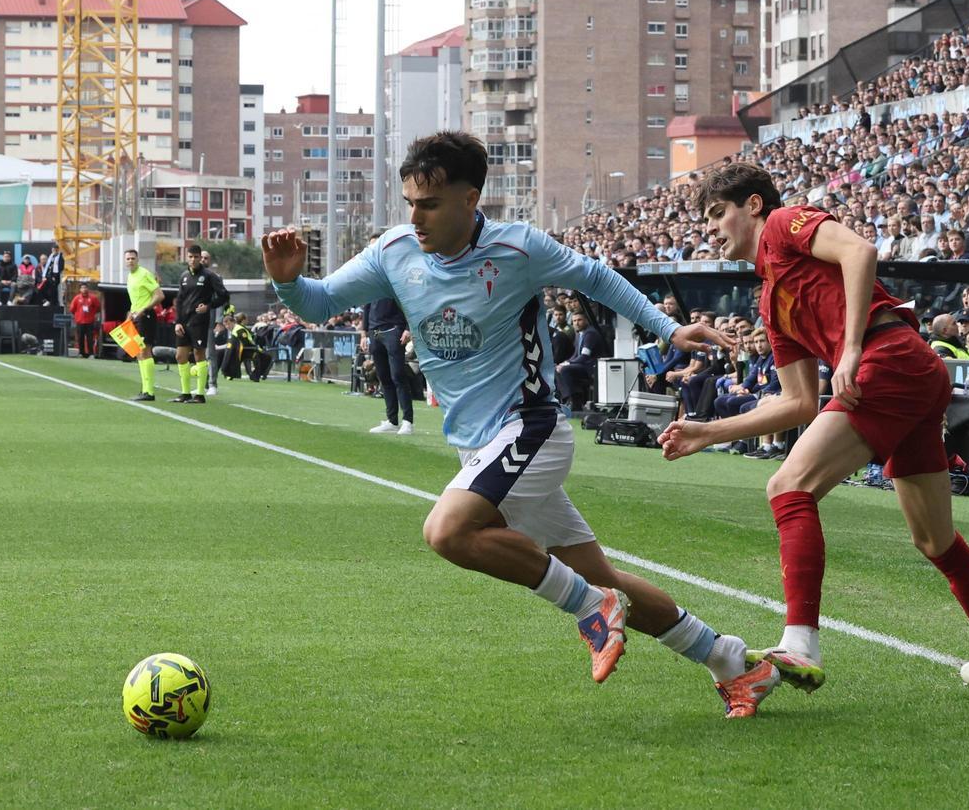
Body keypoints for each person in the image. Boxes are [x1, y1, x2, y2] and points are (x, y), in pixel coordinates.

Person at [262, 131, 817, 718]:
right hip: (480, 446)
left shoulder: (519, 249)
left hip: (531, 429)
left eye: (428, 203)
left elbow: (596, 278)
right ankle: (734, 663)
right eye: (409, 204)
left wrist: (668, 328)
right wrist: (287, 280)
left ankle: (588, 607)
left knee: (447, 533)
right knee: (608, 579)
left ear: (469, 198)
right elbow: (319, 303)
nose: (415, 217)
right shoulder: (394, 251)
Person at [659, 162, 969, 693]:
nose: (712, 227)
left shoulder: (785, 222)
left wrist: (852, 347)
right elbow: (798, 403)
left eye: (718, 213)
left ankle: (800, 642)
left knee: (788, 486)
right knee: (934, 540)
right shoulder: (769, 299)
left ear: (754, 206)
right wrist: (708, 431)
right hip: (910, 373)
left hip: (889, 360)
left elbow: (860, 250)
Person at [170, 244, 229, 404]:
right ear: (186, 257)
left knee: (199, 355)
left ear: (200, 258)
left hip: (200, 322)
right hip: (184, 323)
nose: (194, 259)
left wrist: (209, 307)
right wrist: (178, 322)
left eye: (196, 257)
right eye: (191, 256)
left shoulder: (209, 276)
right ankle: (185, 393)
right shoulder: (183, 276)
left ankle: (200, 394)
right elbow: (180, 301)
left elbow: (224, 295)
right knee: (180, 356)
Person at [362, 264, 415, 434]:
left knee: (398, 375)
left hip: (393, 329)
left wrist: (408, 328)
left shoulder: (397, 278)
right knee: (383, 376)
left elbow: (409, 304)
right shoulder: (372, 282)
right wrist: (364, 333)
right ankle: (392, 420)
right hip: (375, 331)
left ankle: (407, 421)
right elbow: (367, 307)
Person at [124, 249, 164, 401]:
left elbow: (159, 295)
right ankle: (145, 389)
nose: (130, 261)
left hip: (145, 316)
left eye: (133, 258)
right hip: (136, 316)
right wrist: (130, 315)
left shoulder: (144, 274)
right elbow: (135, 300)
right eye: (128, 258)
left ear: (138, 259)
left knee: (144, 351)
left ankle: (149, 391)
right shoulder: (130, 276)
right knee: (138, 352)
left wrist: (144, 309)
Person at [554, 311, 605, 411]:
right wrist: (564, 363)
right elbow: (575, 355)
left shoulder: (590, 334)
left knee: (565, 370)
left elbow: (585, 356)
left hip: (591, 367)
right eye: (574, 321)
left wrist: (568, 364)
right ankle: (569, 399)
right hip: (582, 365)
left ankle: (573, 401)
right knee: (558, 368)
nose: (576, 323)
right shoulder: (579, 334)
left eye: (579, 320)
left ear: (586, 320)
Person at [69, 283, 100, 358]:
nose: (84, 289)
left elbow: (98, 307)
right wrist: (77, 315)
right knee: (80, 338)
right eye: (82, 288)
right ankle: (81, 353)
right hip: (80, 321)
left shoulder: (93, 298)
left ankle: (91, 353)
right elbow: (72, 309)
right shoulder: (77, 298)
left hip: (90, 321)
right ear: (80, 289)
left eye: (85, 287)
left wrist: (92, 314)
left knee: (90, 338)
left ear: (88, 289)